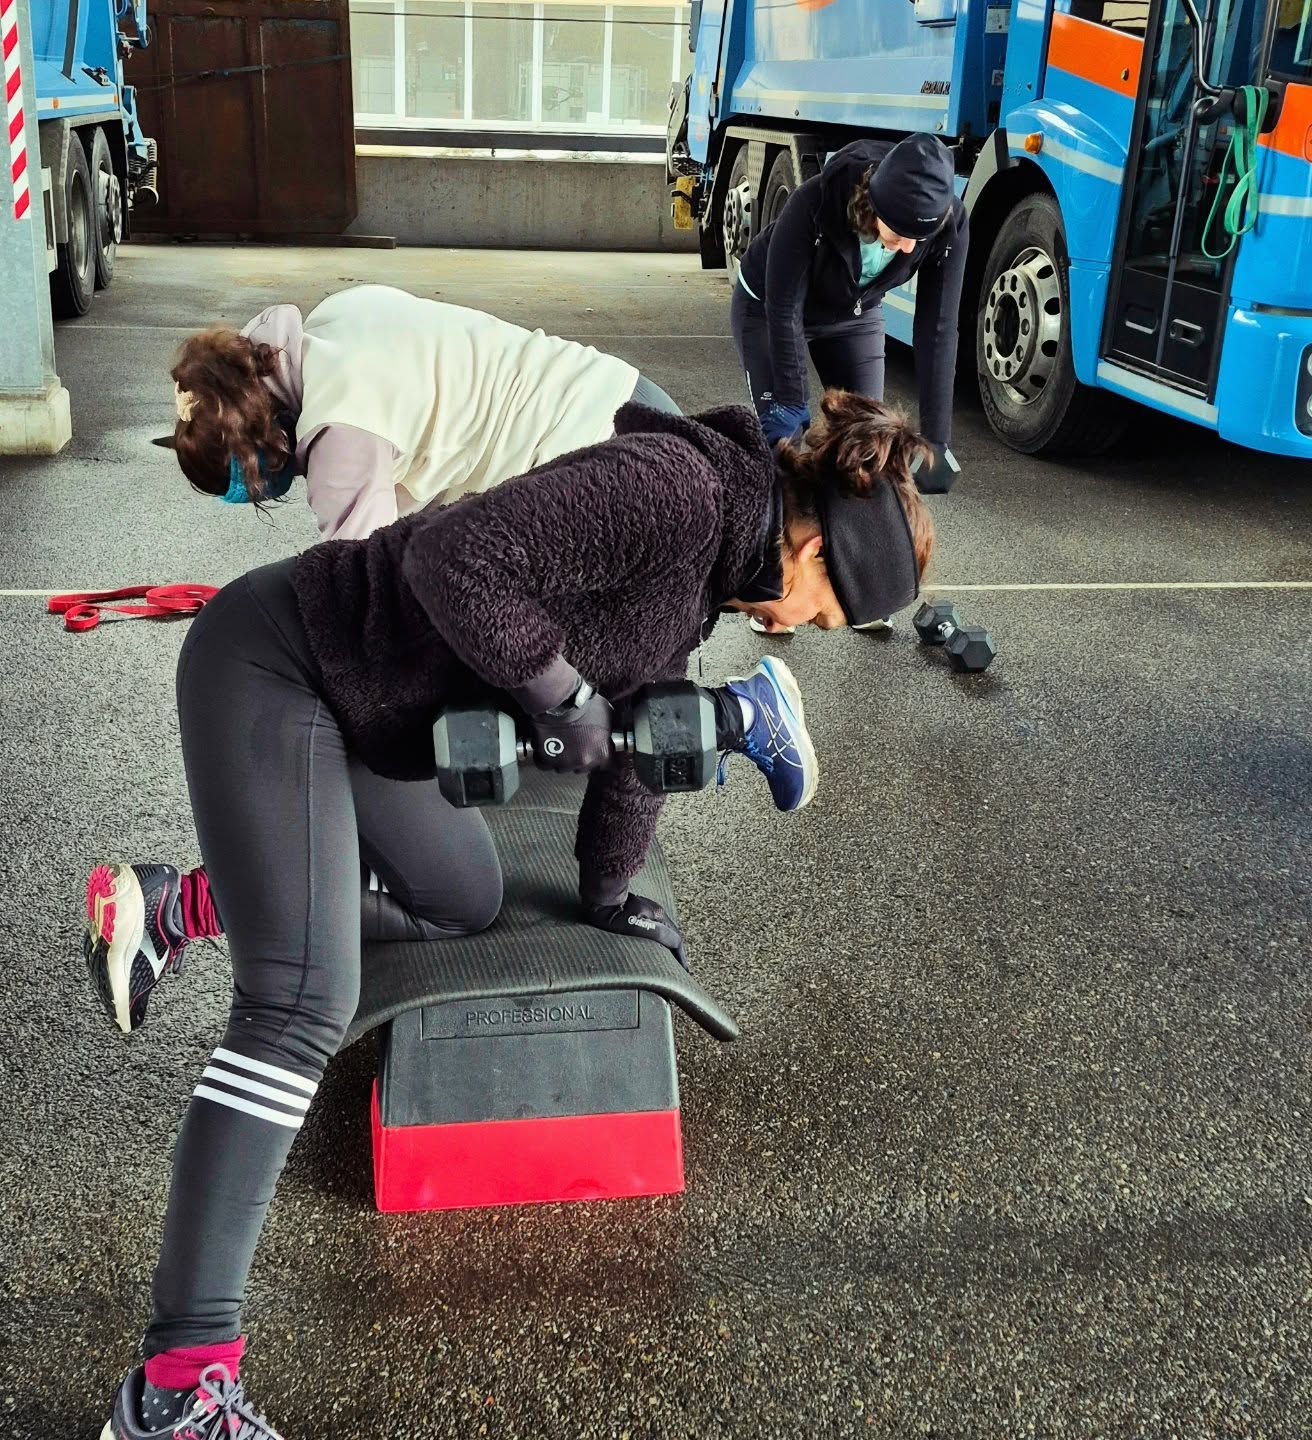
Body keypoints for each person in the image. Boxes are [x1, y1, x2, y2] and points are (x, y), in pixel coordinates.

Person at [94, 387, 935, 1438]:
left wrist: (611, 895)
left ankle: (189, 903)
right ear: (815, 548)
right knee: (302, 1001)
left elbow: (640, 718)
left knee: (463, 897)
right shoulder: (674, 494)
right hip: (284, 666)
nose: (808, 624)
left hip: (370, 722)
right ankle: (172, 1392)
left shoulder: (704, 577)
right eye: (826, 607)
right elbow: (453, 559)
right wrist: (559, 697)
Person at [169, 283, 681, 542]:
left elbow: (363, 586)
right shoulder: (335, 314)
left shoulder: (341, 434)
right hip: (630, 394)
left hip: (597, 464)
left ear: (266, 443)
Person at [732, 133, 969, 498]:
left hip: (852, 315)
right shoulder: (813, 203)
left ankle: (841, 541)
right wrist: (792, 400)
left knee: (866, 447)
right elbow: (784, 308)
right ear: (871, 207)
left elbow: (938, 328)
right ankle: (772, 541)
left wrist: (936, 439)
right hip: (767, 308)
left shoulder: (947, 224)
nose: (908, 248)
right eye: (901, 234)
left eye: (918, 240)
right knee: (782, 444)